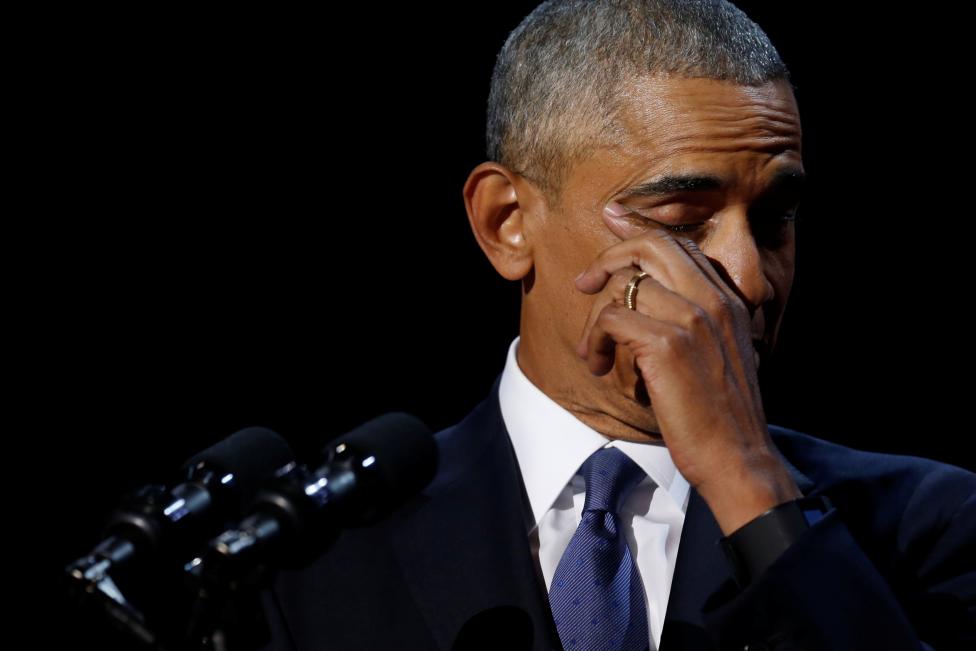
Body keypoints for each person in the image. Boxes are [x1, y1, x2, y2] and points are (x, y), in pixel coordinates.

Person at [258, 1, 976, 649]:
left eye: (775, 218)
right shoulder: (311, 551)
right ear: (507, 223)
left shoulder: (932, 523)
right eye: (681, 220)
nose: (751, 280)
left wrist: (748, 482)